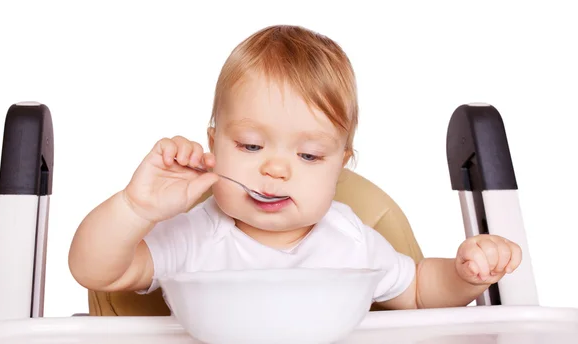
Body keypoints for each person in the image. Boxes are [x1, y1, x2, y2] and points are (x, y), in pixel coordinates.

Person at [68, 25, 521, 310]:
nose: (276, 170)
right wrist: (135, 207)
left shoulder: (350, 241)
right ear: (215, 146)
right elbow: (98, 273)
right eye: (249, 145)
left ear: (340, 167)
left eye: (308, 156)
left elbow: (420, 290)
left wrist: (466, 276)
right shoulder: (194, 237)